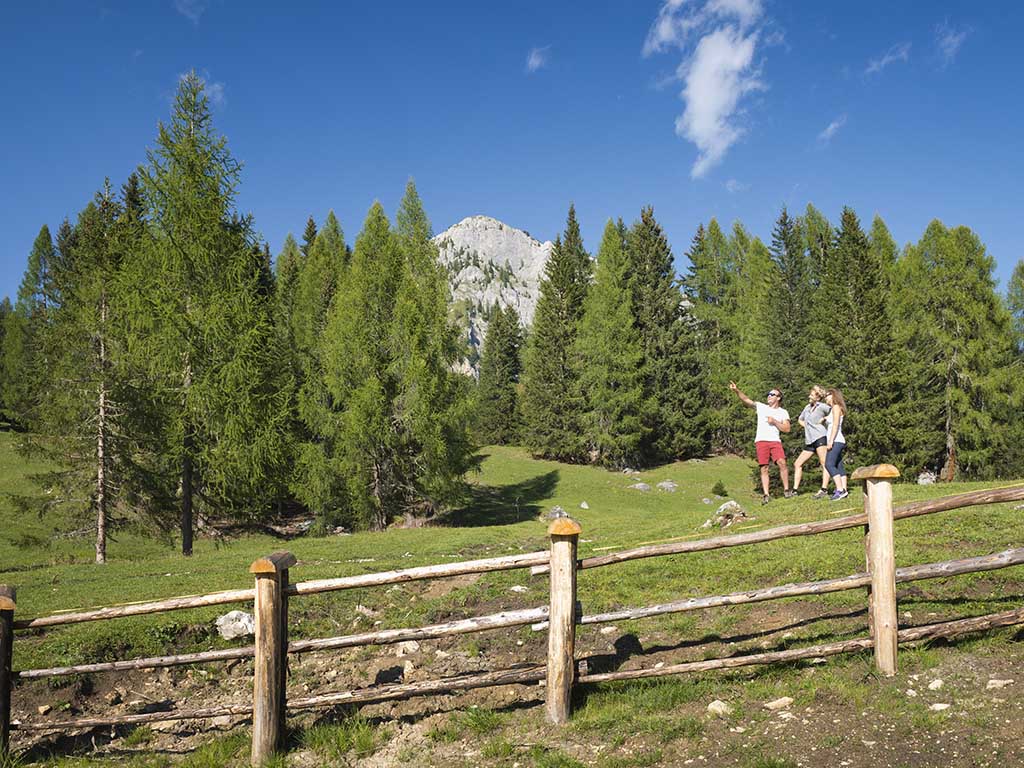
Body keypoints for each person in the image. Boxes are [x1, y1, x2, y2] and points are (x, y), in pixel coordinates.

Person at [729, 381, 792, 504]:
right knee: (764, 467)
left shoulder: (783, 412)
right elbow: (747, 400)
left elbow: (787, 429)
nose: (769, 396)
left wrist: (774, 421)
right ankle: (766, 495)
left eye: (772, 394)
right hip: (761, 441)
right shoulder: (761, 407)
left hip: (775, 441)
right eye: (768, 394)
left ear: (778, 398)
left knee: (782, 463)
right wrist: (736, 390)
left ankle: (786, 490)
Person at [793, 385, 831, 499]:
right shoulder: (807, 407)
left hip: (820, 436)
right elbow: (800, 419)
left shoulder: (822, 407)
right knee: (797, 463)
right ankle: (794, 490)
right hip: (810, 439)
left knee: (824, 463)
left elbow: (834, 412)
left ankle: (824, 489)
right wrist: (807, 426)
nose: (809, 396)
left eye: (812, 394)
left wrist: (824, 419)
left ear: (818, 397)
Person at [824, 388, 849, 501]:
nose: (825, 397)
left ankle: (840, 490)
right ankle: (844, 489)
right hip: (837, 440)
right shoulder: (833, 409)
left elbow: (835, 425)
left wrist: (830, 441)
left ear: (833, 395)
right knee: (839, 466)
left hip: (836, 440)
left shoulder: (836, 407)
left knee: (829, 464)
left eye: (827, 395)